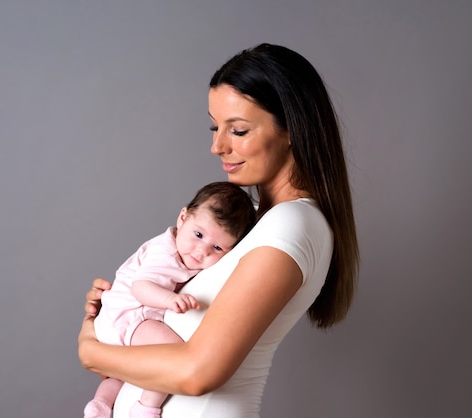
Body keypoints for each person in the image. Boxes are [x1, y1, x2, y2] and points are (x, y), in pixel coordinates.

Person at [78, 43, 359, 417]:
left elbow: (198, 373)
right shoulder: (252, 223)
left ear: (292, 129)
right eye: (215, 127)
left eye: (238, 130)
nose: (216, 146)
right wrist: (120, 303)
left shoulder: (293, 225)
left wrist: (92, 350)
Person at [83, 181, 256, 418]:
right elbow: (141, 287)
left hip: (120, 319)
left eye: (217, 248)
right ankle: (145, 408)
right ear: (183, 217)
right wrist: (169, 300)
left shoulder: (185, 252)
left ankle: (101, 404)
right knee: (172, 355)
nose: (201, 251)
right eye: (198, 235)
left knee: (120, 378)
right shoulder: (166, 253)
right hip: (130, 316)